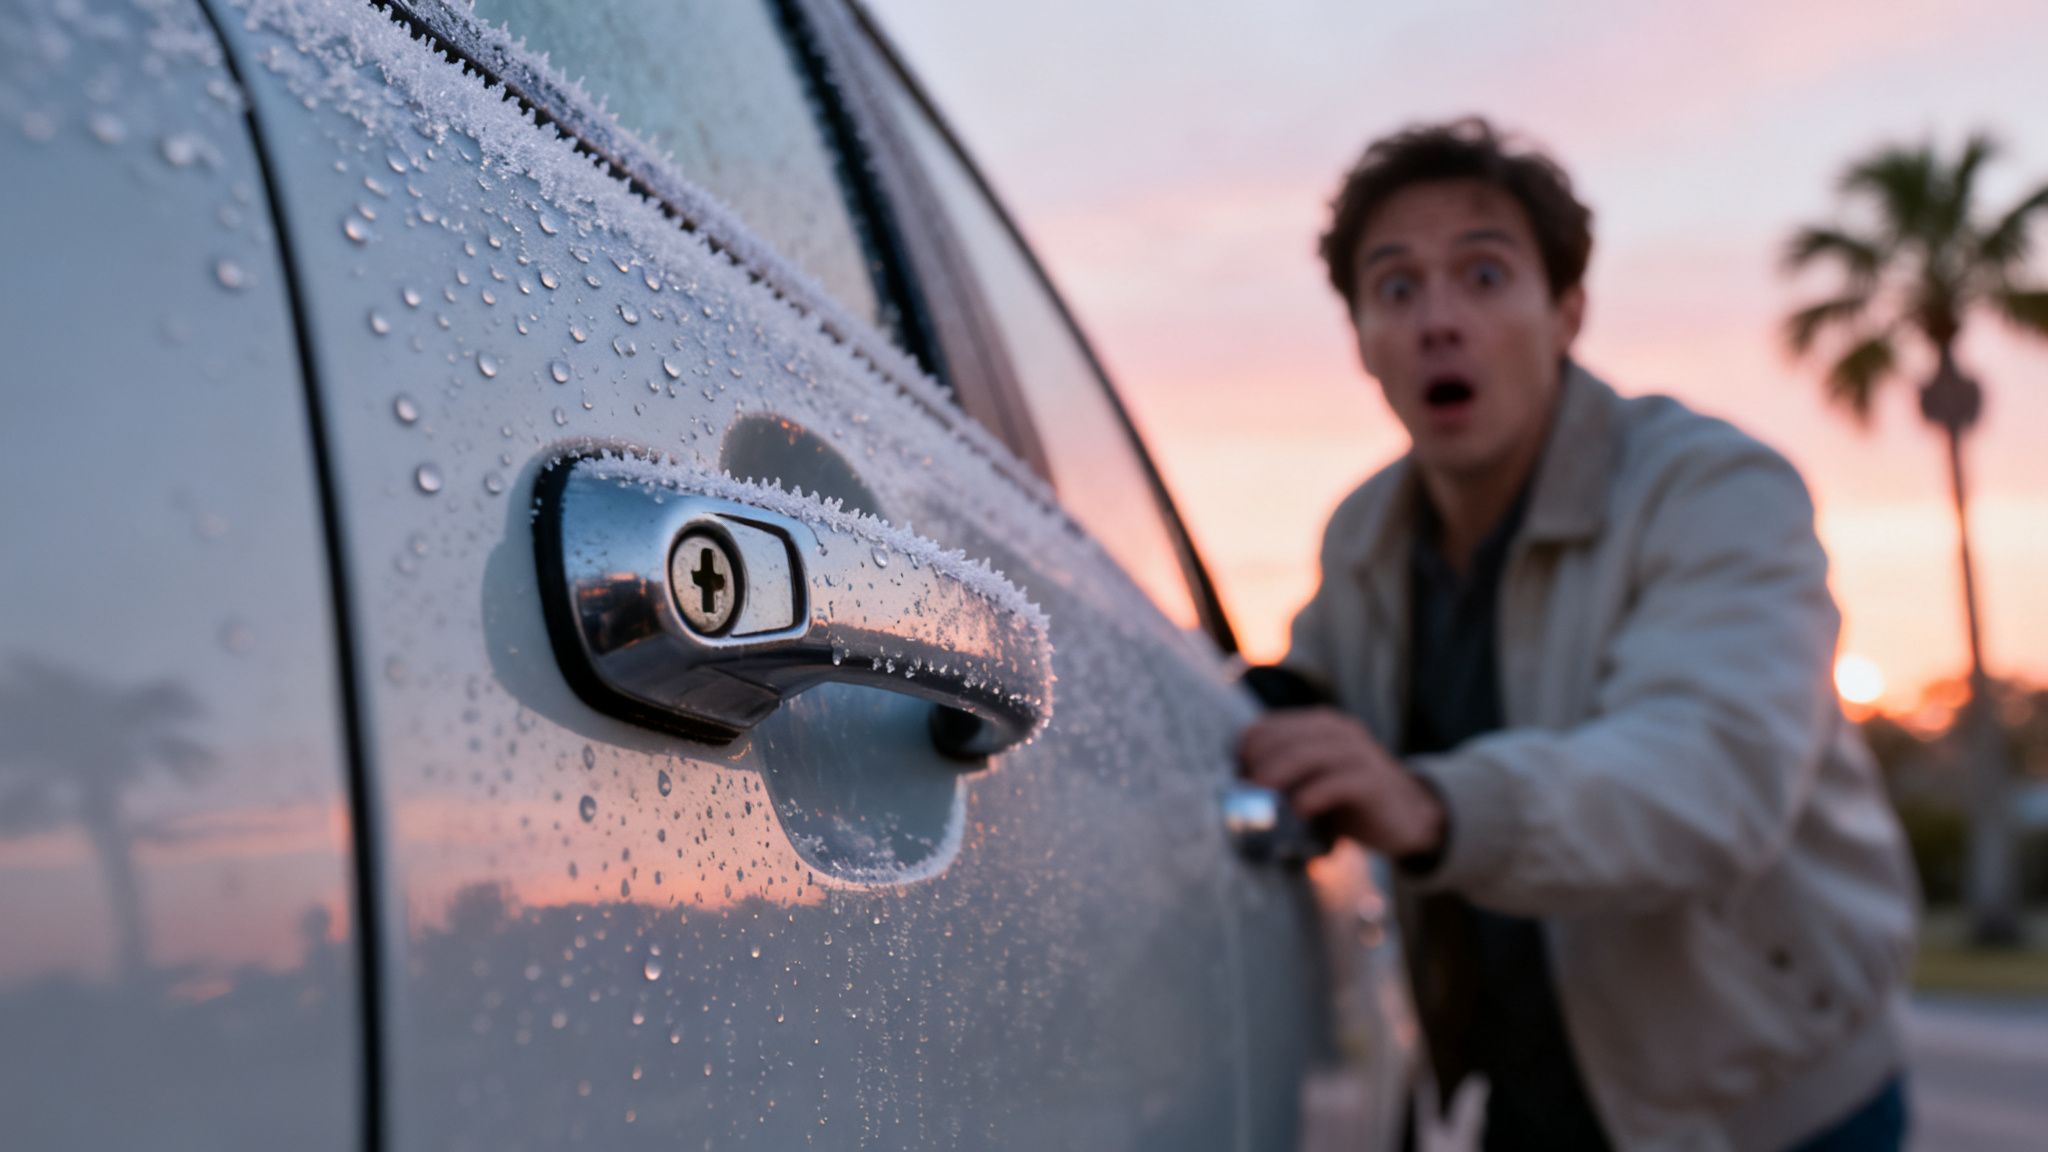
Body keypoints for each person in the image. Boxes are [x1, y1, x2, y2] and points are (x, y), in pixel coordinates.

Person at [1238, 118, 1918, 1151]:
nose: (1437, 320)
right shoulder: (1363, 533)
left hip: (1758, 1110)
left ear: (1566, 312)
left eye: (1482, 274)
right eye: (1395, 287)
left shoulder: (1713, 488)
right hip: (1526, 1097)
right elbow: (1311, 694)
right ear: (1362, 344)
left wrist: (1431, 804)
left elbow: (1710, 771)